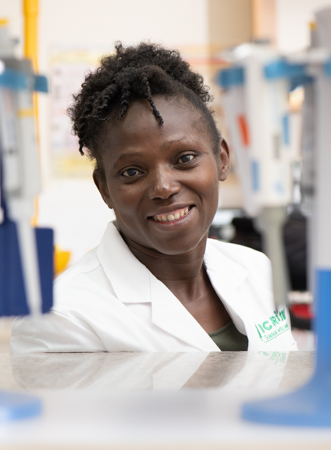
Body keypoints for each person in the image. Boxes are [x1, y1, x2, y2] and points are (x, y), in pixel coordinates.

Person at [11, 43, 297, 353]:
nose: (163, 187)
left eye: (185, 158)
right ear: (104, 188)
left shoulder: (256, 270)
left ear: (222, 159)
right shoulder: (61, 318)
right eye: (132, 172)